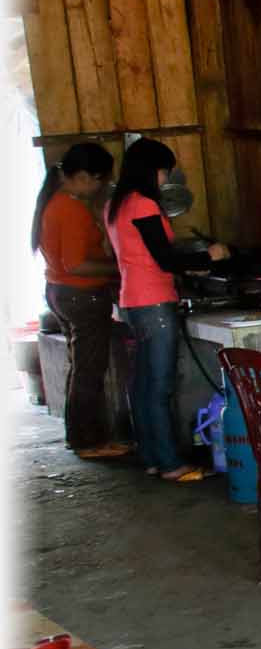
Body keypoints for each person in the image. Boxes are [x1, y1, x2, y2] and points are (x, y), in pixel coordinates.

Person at [104, 138, 228, 482]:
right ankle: (172, 464)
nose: (164, 179)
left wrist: (190, 267)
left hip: (131, 302)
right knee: (159, 387)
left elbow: (145, 256)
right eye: (164, 172)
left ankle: (153, 457)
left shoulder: (116, 205)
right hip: (154, 303)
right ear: (152, 171)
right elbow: (164, 257)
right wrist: (209, 257)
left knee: (143, 385)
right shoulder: (143, 205)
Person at [34, 142, 129, 460]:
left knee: (82, 368)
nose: (100, 187)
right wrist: (120, 269)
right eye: (100, 180)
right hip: (81, 294)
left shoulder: (56, 201)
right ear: (87, 176)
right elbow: (76, 263)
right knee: (89, 370)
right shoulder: (70, 208)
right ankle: (88, 441)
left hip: (61, 291)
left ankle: (82, 436)